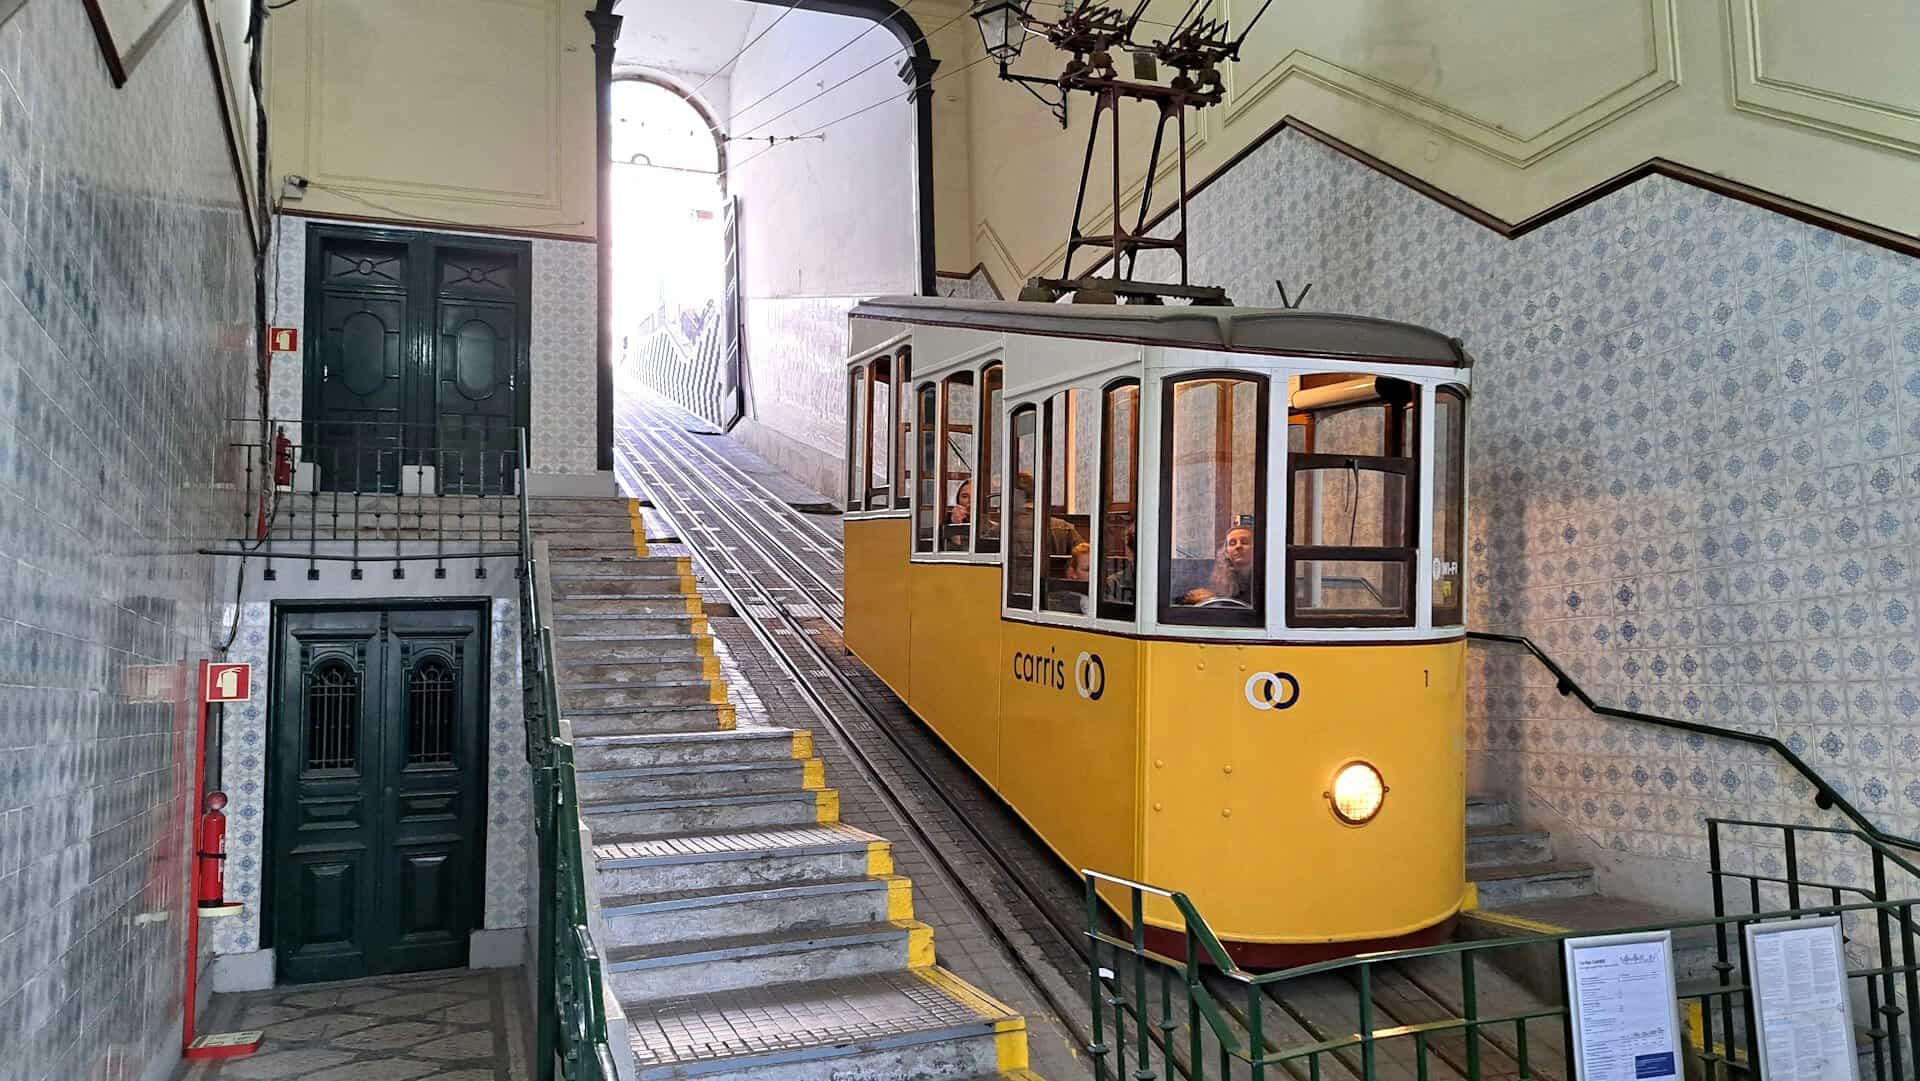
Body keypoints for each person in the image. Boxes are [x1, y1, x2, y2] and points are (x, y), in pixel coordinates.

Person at [1179, 524, 1255, 606]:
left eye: (1245, 542)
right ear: (1226, 552)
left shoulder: (1266, 577)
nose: (1238, 546)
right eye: (1232, 543)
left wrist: (1216, 599)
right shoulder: (1214, 577)